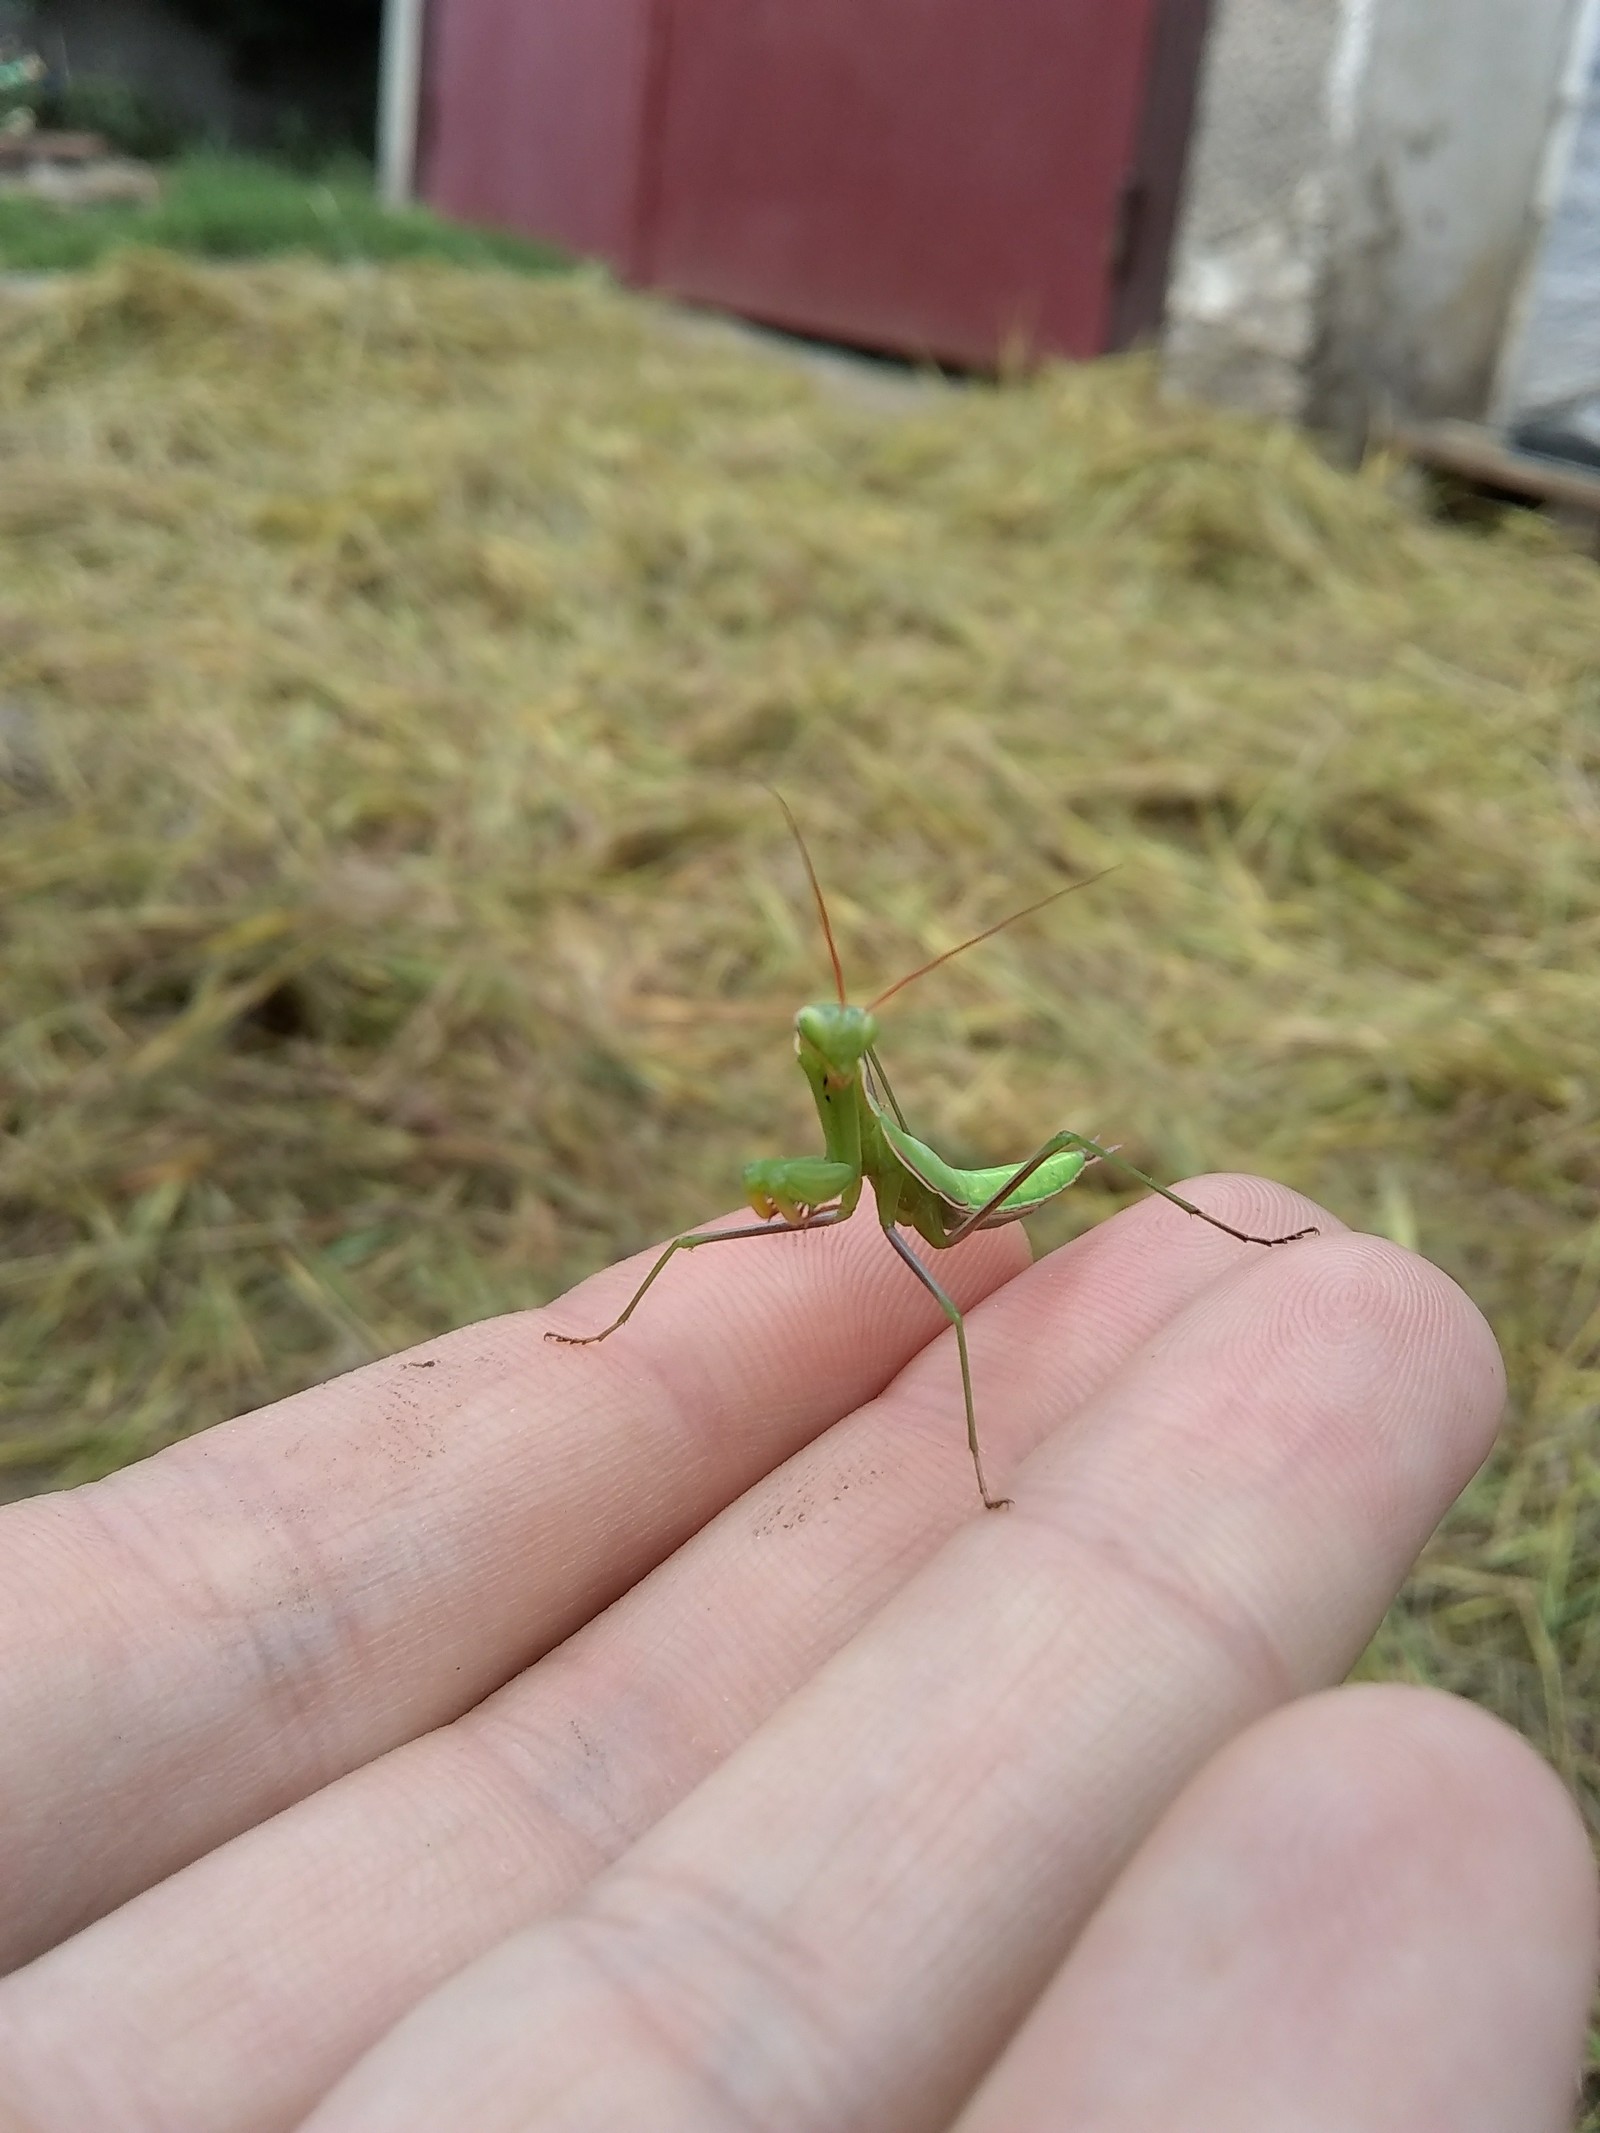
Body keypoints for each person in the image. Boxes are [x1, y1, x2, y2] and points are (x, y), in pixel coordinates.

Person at [0, 1176, 1592, 2131]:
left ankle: (1209, 1236)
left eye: (836, 1049)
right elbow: (825, 1203)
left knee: (967, 1304)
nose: (819, 1056)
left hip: (969, 1219)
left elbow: (906, 1237)